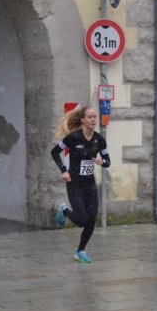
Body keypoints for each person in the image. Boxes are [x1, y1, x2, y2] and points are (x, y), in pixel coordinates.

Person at [51, 105, 111, 263]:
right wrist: (63, 170)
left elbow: (108, 161)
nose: (93, 120)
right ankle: (65, 211)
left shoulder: (99, 140)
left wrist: (102, 162)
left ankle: (80, 251)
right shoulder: (73, 138)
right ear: (83, 120)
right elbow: (54, 152)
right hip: (74, 183)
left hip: (90, 184)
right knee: (82, 220)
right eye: (90, 117)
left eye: (95, 117)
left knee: (91, 219)